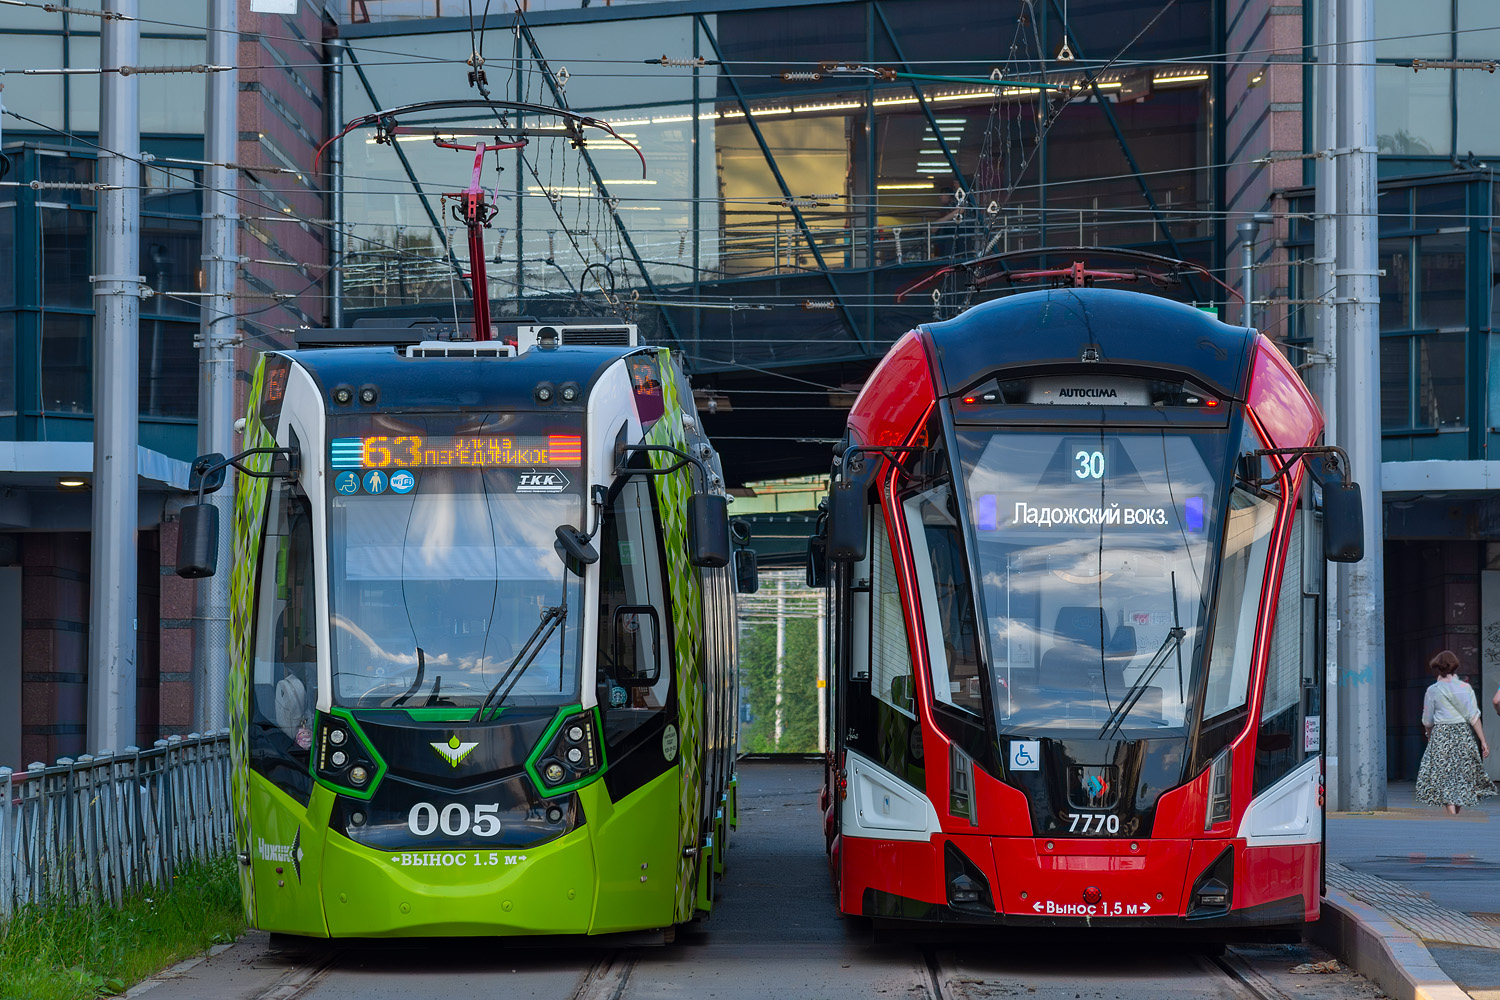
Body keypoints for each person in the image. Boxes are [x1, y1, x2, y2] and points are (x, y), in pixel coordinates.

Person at [1415, 650, 1496, 814]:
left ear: (1437, 667)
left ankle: (1452, 813)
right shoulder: (1465, 688)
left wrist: (1429, 735)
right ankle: (1455, 813)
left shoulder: (1433, 690)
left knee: (1444, 775)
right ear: (1455, 666)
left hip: (1442, 735)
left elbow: (1427, 720)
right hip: (1463, 734)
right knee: (1461, 774)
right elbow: (1474, 716)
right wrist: (1483, 741)